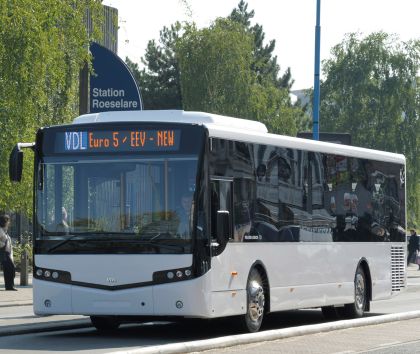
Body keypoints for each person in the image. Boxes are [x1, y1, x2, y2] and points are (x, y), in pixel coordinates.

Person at [0, 214, 17, 291]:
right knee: (10, 269)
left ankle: (9, 286)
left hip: (7, 253)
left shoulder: (4, 230)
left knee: (9, 269)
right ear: (5, 221)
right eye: (8, 220)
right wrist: (3, 244)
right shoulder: (0, 230)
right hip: (4, 253)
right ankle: (9, 286)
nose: (9, 222)